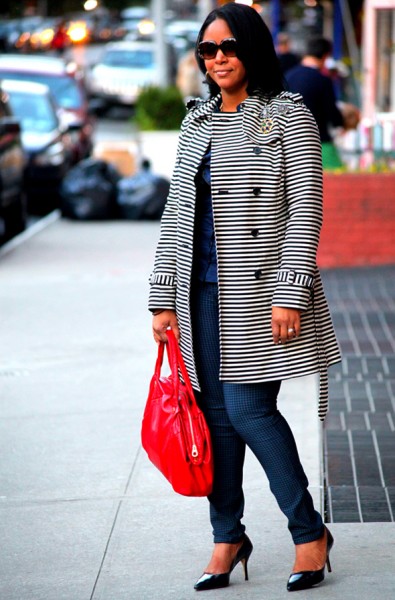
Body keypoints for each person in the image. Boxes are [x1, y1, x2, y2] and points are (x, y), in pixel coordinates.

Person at [149, 3, 341, 593]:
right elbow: (176, 210)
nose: (218, 59)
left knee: (248, 410)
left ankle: (309, 533)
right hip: (198, 289)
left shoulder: (288, 116)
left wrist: (292, 293)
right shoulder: (197, 120)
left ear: (253, 48)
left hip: (261, 292)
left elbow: (304, 210)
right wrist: (161, 299)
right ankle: (227, 535)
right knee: (215, 416)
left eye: (228, 47)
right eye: (207, 51)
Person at [284, 37, 345, 170]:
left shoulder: (288, 76)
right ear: (325, 56)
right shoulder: (323, 80)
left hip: (289, 144)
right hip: (318, 142)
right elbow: (332, 112)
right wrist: (340, 124)